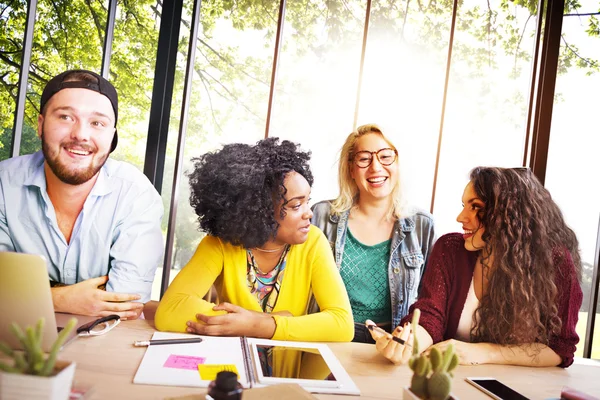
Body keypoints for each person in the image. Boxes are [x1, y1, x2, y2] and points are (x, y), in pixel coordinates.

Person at [368, 167, 582, 368]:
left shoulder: (555, 262)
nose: (461, 218)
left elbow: (559, 350)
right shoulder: (450, 249)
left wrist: (485, 353)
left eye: (476, 207)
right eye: (464, 206)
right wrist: (408, 342)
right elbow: (430, 316)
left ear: (510, 217)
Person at [0, 69, 164, 319]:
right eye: (65, 117)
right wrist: (61, 299)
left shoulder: (136, 195)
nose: (80, 135)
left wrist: (24, 294)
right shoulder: (3, 182)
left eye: (98, 123)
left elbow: (125, 304)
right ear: (41, 124)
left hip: (107, 340)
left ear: (112, 136)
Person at [155, 138, 353, 342]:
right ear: (262, 211)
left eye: (307, 202)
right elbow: (170, 310)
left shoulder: (313, 242)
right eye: (296, 206)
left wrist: (258, 324)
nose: (309, 214)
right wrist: (265, 322)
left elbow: (342, 325)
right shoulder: (220, 245)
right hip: (230, 367)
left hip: (284, 373)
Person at [311, 124, 435, 343]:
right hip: (329, 337)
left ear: (397, 164)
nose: (376, 167)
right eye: (364, 159)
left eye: (386, 156)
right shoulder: (321, 216)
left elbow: (429, 303)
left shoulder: (421, 225)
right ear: (350, 168)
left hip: (391, 343)